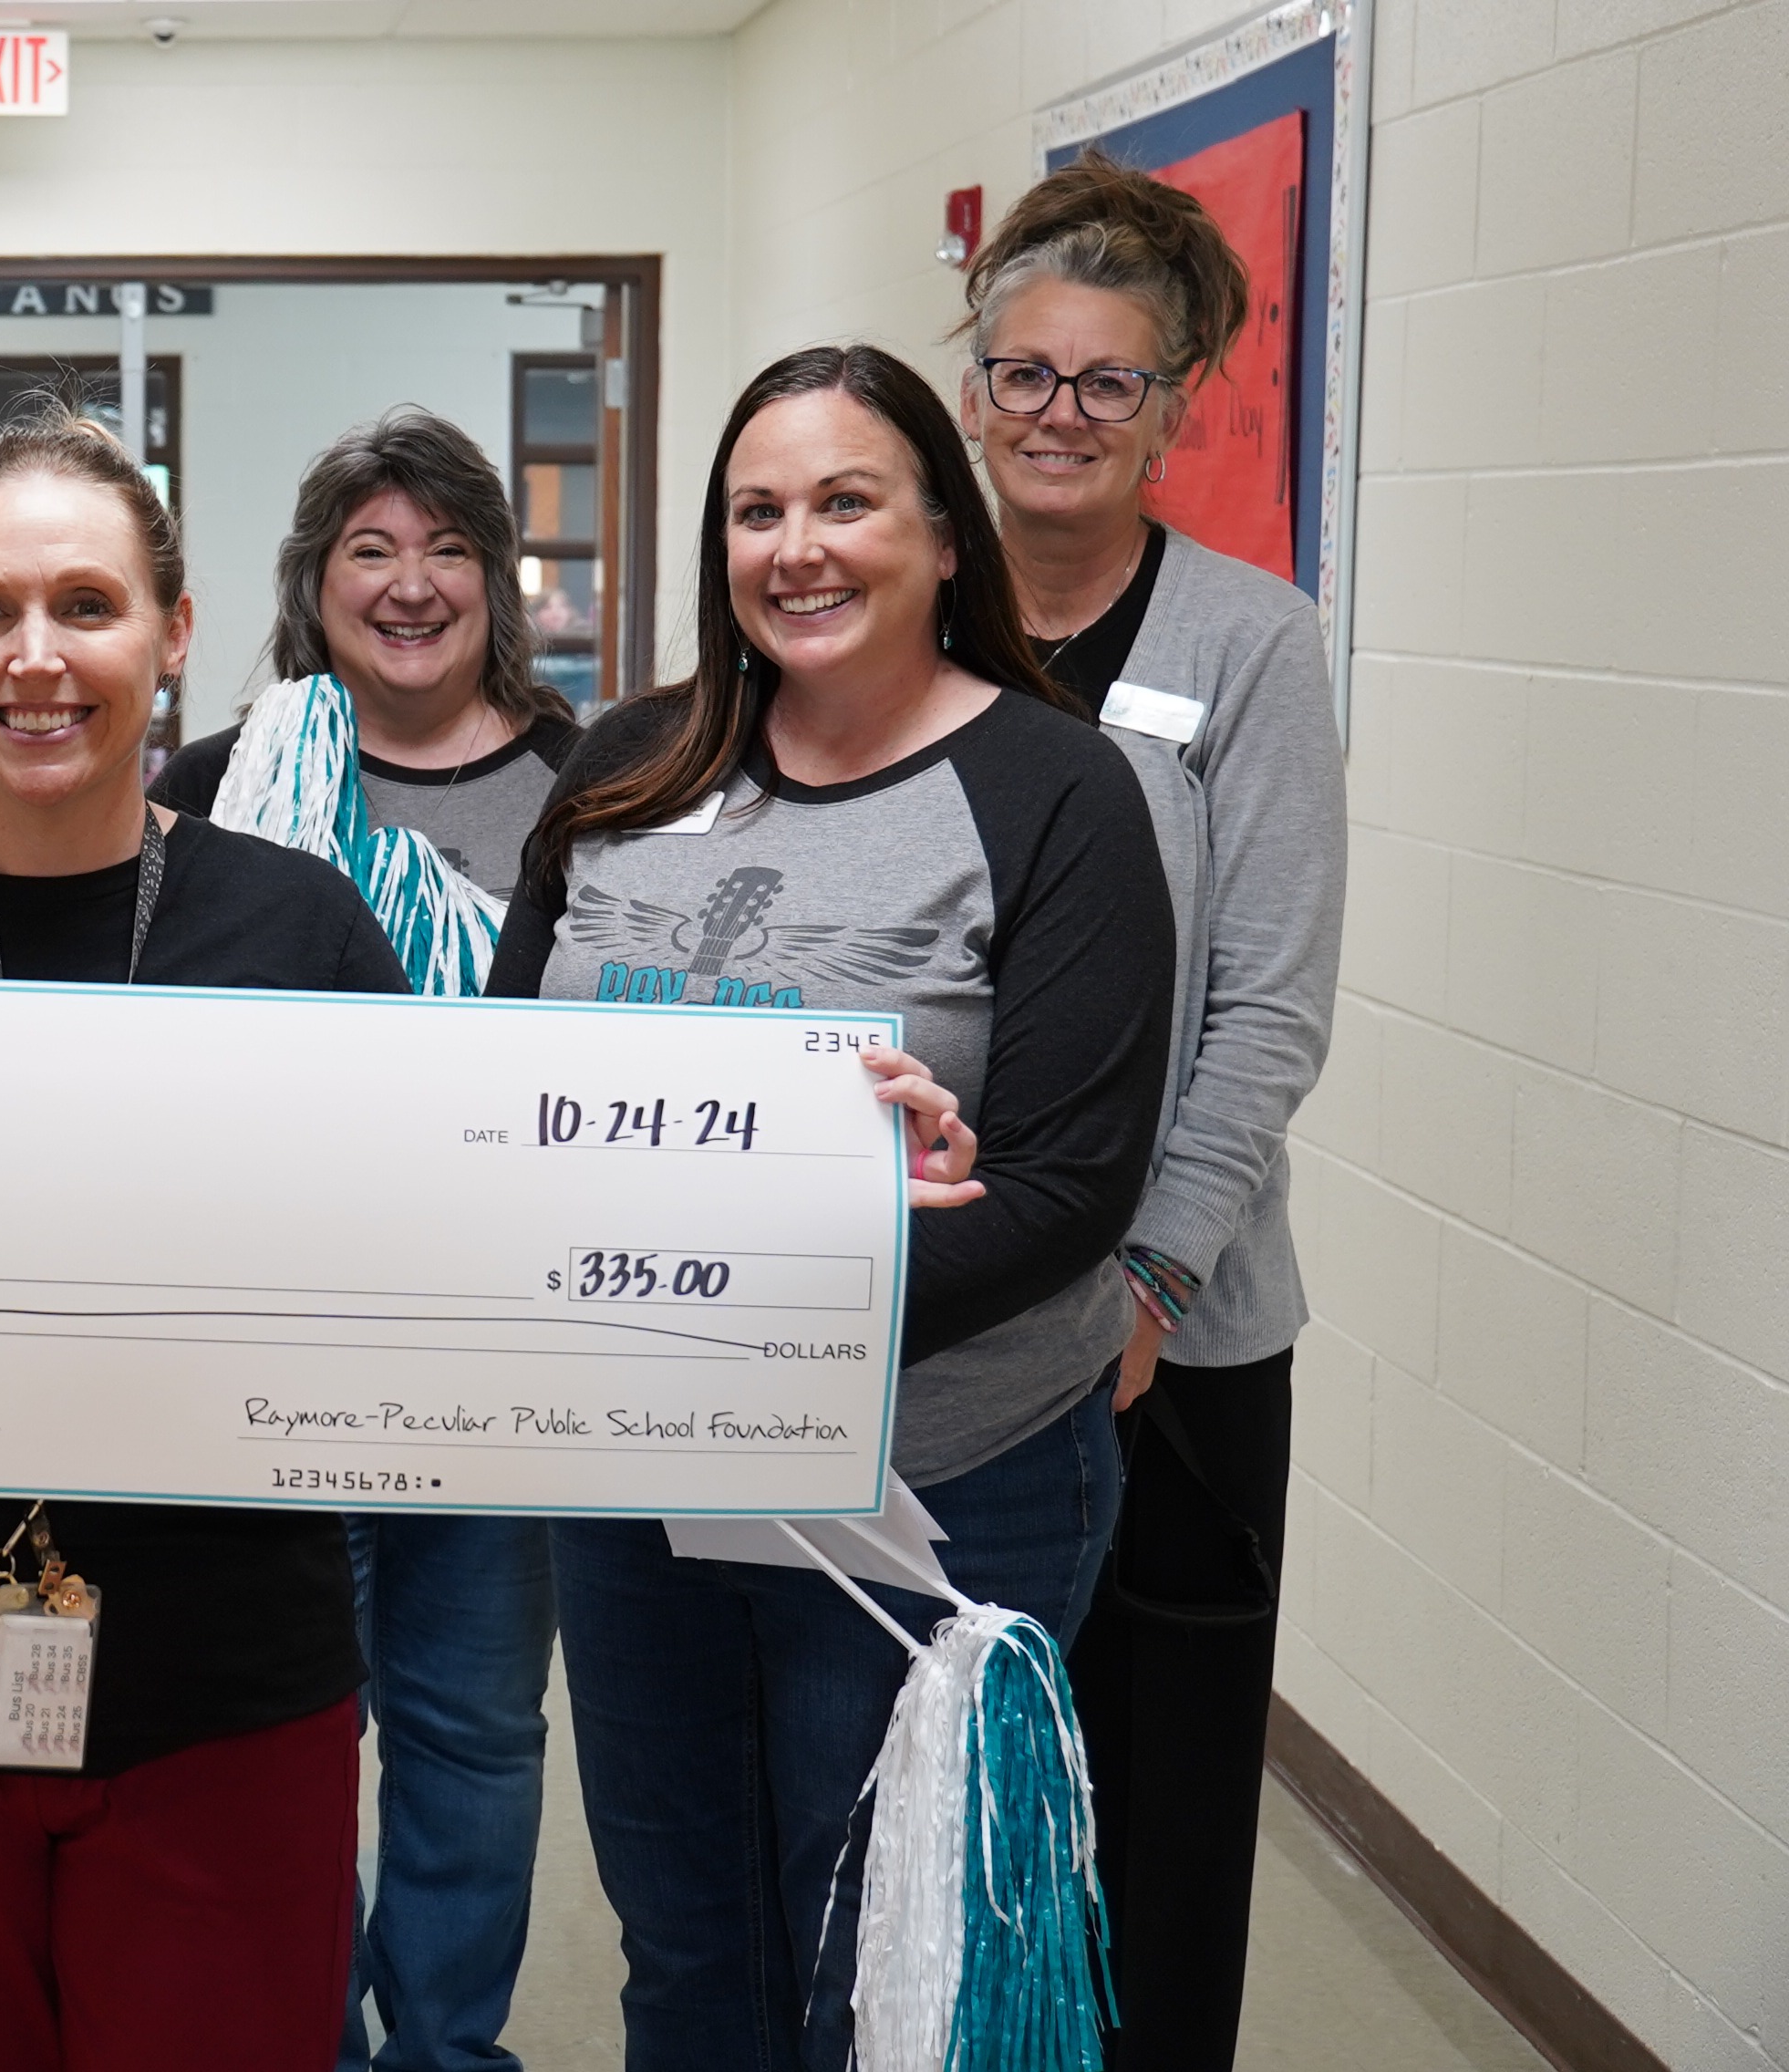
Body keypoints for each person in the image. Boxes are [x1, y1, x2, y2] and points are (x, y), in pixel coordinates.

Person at [488, 344, 1176, 2071]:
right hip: (639, 1483)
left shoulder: (1056, 790)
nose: (797, 545)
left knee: (876, 1954)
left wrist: (735, 1316)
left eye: (847, 501)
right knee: (685, 1938)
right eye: (758, 508)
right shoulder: (626, 764)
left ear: (946, 538)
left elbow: (1069, 1191)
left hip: (935, 1480)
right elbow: (495, 1099)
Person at [0, 409, 408, 2070]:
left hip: (223, 1684)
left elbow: (432, 1250)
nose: (37, 661)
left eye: (89, 606)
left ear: (172, 633)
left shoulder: (297, 929)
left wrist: (804, 1154)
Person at [956, 151, 1347, 2072]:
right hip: (940, 1326)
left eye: (1111, 382)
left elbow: (1269, 1002)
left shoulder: (1249, 642)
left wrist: (1152, 1279)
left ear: (1175, 405)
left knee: (1162, 1811)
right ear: (972, 386)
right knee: (952, 1802)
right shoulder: (899, 609)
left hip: (1172, 1348)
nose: (1062, 416)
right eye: (1028, 373)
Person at [150, 406, 582, 2072]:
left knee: (472, 1727)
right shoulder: (215, 783)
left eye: (447, 548)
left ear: (499, 577)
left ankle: (448, 2051)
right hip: (271, 1357)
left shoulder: (591, 786)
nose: (409, 585)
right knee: (285, 1726)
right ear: (312, 583)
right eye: (368, 552)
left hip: (498, 1355)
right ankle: (307, 2039)